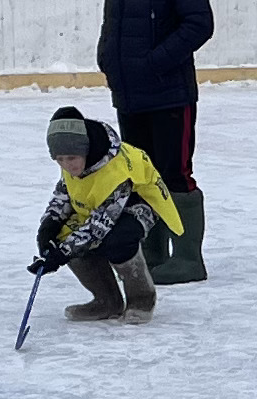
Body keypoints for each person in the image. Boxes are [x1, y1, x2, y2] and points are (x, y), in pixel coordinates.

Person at [95, 0, 214, 282]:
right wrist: (107, 58)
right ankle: (151, 252)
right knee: (140, 174)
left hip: (169, 94)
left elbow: (199, 24)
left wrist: (156, 63)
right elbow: (112, 22)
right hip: (129, 93)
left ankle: (187, 259)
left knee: (173, 173)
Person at [30, 106, 184, 322]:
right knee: (62, 237)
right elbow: (64, 194)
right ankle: (107, 301)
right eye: (60, 160)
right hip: (95, 207)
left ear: (85, 150)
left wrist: (61, 255)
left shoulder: (115, 170)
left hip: (138, 204)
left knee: (117, 240)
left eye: (71, 158)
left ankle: (142, 299)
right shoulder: (75, 158)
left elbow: (99, 226)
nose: (66, 165)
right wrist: (47, 230)